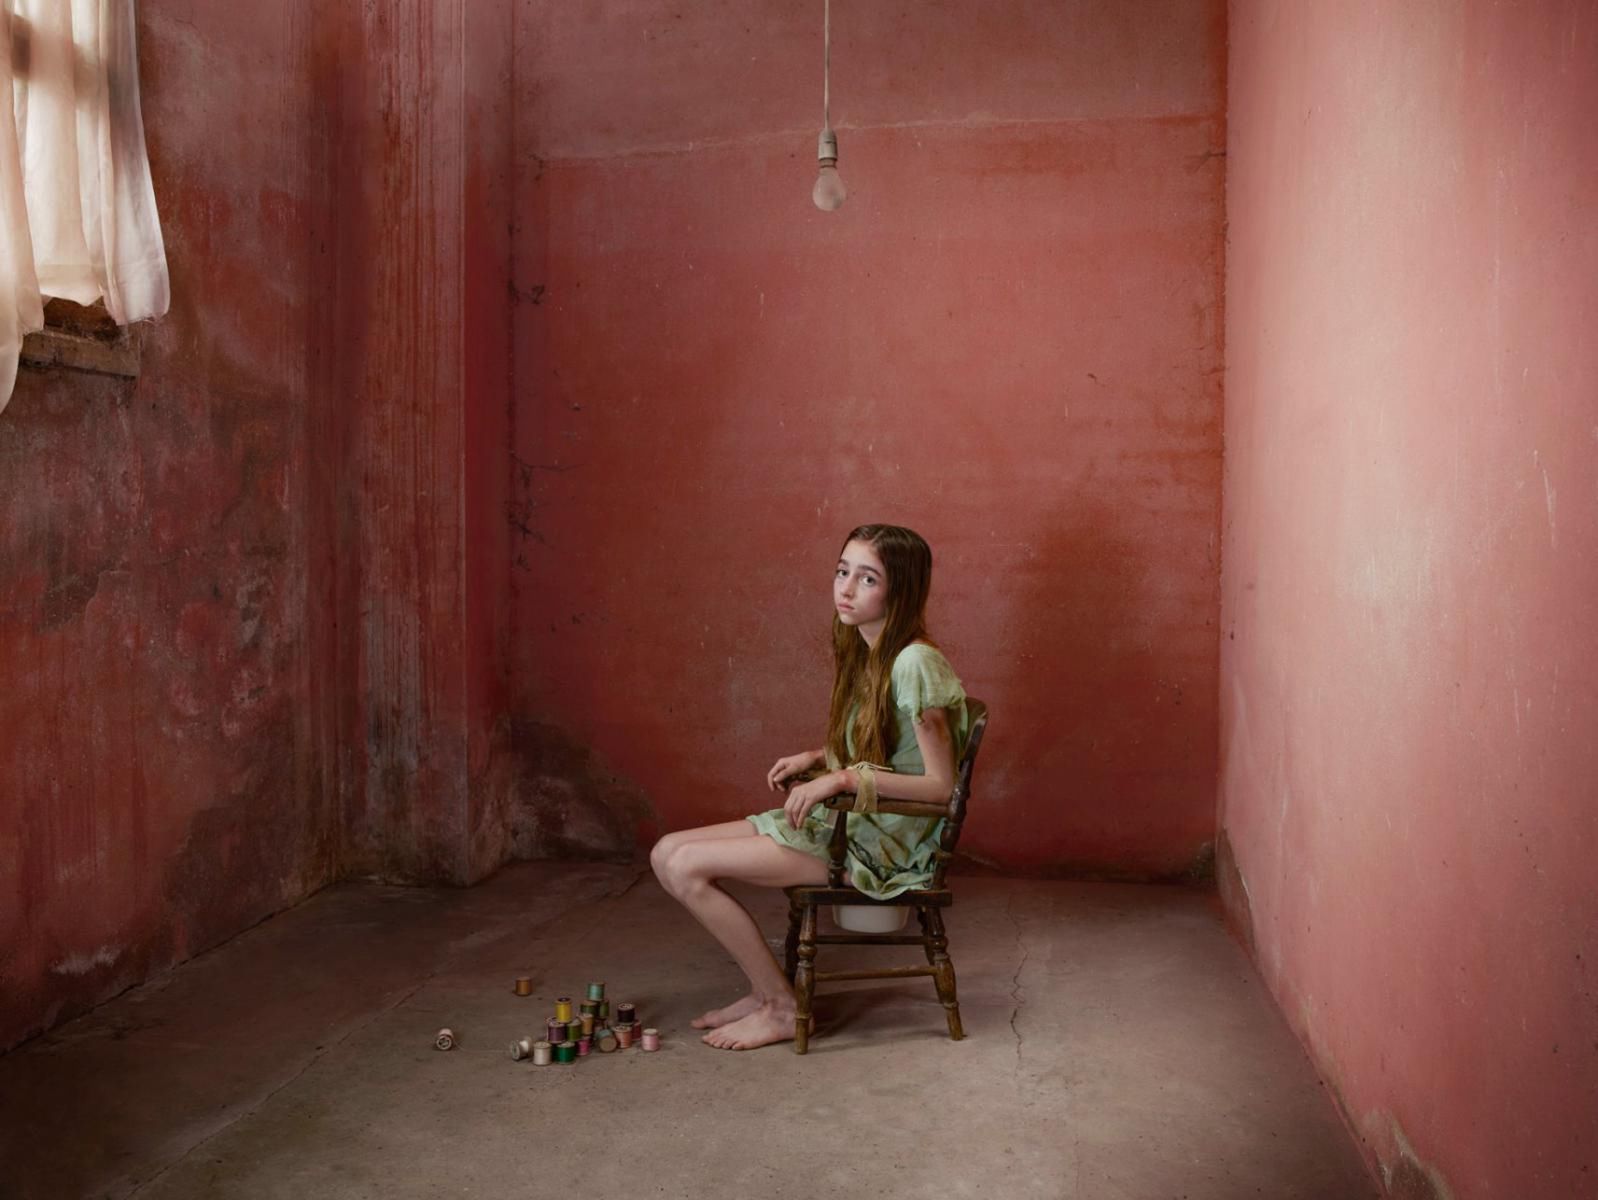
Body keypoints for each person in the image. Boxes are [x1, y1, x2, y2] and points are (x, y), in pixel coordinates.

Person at [650, 524, 971, 1050]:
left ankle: (781, 1007)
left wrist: (842, 778)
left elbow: (940, 787)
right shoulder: (871, 649)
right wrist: (819, 757)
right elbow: (891, 744)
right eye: (843, 571)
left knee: (685, 866)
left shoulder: (914, 661)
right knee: (666, 852)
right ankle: (764, 991)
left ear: (901, 590)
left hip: (880, 844)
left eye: (868, 579)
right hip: (853, 819)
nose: (846, 588)